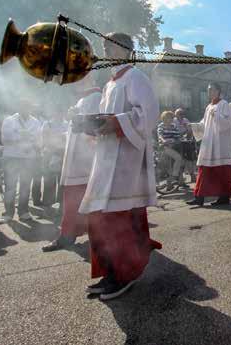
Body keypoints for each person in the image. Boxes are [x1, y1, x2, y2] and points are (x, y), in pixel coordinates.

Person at [78, 32, 161, 301]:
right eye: (104, 46)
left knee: (116, 220)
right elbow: (106, 119)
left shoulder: (136, 77)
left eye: (111, 45)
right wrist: (91, 125)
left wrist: (116, 123)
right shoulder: (110, 84)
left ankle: (124, 275)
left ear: (127, 49)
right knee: (99, 219)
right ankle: (109, 271)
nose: (106, 49)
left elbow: (148, 114)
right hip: (105, 158)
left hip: (126, 162)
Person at [42, 77, 101, 252]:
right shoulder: (82, 100)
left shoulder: (97, 98)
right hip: (77, 160)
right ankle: (69, 234)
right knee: (73, 201)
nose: (75, 83)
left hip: (86, 160)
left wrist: (75, 118)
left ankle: (71, 235)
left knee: (81, 200)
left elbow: (95, 128)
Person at [186, 84, 231, 207]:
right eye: (208, 90)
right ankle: (199, 197)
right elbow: (204, 124)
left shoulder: (224, 104)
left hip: (220, 145)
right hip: (209, 143)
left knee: (222, 171)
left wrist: (216, 115)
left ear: (218, 91)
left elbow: (228, 122)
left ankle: (224, 197)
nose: (209, 92)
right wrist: (194, 126)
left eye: (211, 89)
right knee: (204, 170)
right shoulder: (208, 107)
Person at [0, 100, 42, 224]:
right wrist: (23, 136)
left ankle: (23, 212)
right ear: (18, 107)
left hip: (28, 158)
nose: (26, 109)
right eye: (23, 106)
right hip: (11, 157)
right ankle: (8, 213)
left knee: (25, 186)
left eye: (28, 106)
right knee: (10, 186)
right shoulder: (9, 120)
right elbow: (5, 139)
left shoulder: (36, 122)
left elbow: (38, 139)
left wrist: (22, 136)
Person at [40, 110, 68, 209]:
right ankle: (47, 204)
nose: (59, 114)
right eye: (57, 112)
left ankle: (60, 204)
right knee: (49, 181)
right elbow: (44, 139)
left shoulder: (67, 124)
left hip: (63, 154)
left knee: (62, 181)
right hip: (49, 154)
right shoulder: (47, 124)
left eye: (60, 112)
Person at [157, 110, 184, 190]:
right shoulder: (161, 126)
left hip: (174, 146)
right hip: (164, 147)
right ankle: (174, 176)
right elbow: (160, 135)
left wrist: (178, 140)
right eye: (168, 117)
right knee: (178, 158)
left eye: (171, 118)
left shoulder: (173, 126)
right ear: (164, 118)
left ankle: (170, 184)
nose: (170, 119)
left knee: (175, 163)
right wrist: (164, 141)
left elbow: (178, 136)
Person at [173, 108, 196, 187]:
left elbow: (190, 130)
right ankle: (181, 178)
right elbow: (174, 132)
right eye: (179, 113)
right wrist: (181, 134)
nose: (181, 115)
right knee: (181, 160)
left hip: (186, 142)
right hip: (178, 143)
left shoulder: (186, 120)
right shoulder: (173, 121)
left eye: (182, 113)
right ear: (176, 114)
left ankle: (192, 175)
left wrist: (187, 129)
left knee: (189, 159)